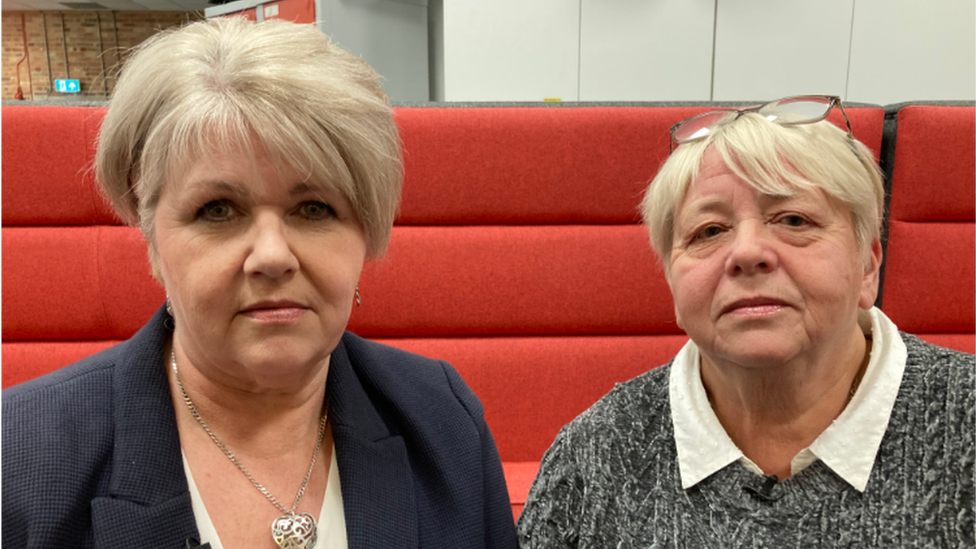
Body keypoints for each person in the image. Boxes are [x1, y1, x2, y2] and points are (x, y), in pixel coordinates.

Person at [0, 17, 517, 549]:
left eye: (314, 208)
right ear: (152, 239)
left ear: (366, 233)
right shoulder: (20, 456)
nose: (272, 256)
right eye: (217, 209)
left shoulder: (443, 419)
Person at [517, 96, 976, 547]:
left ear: (868, 266)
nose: (748, 253)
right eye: (709, 231)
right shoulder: (595, 453)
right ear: (672, 281)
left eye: (794, 219)